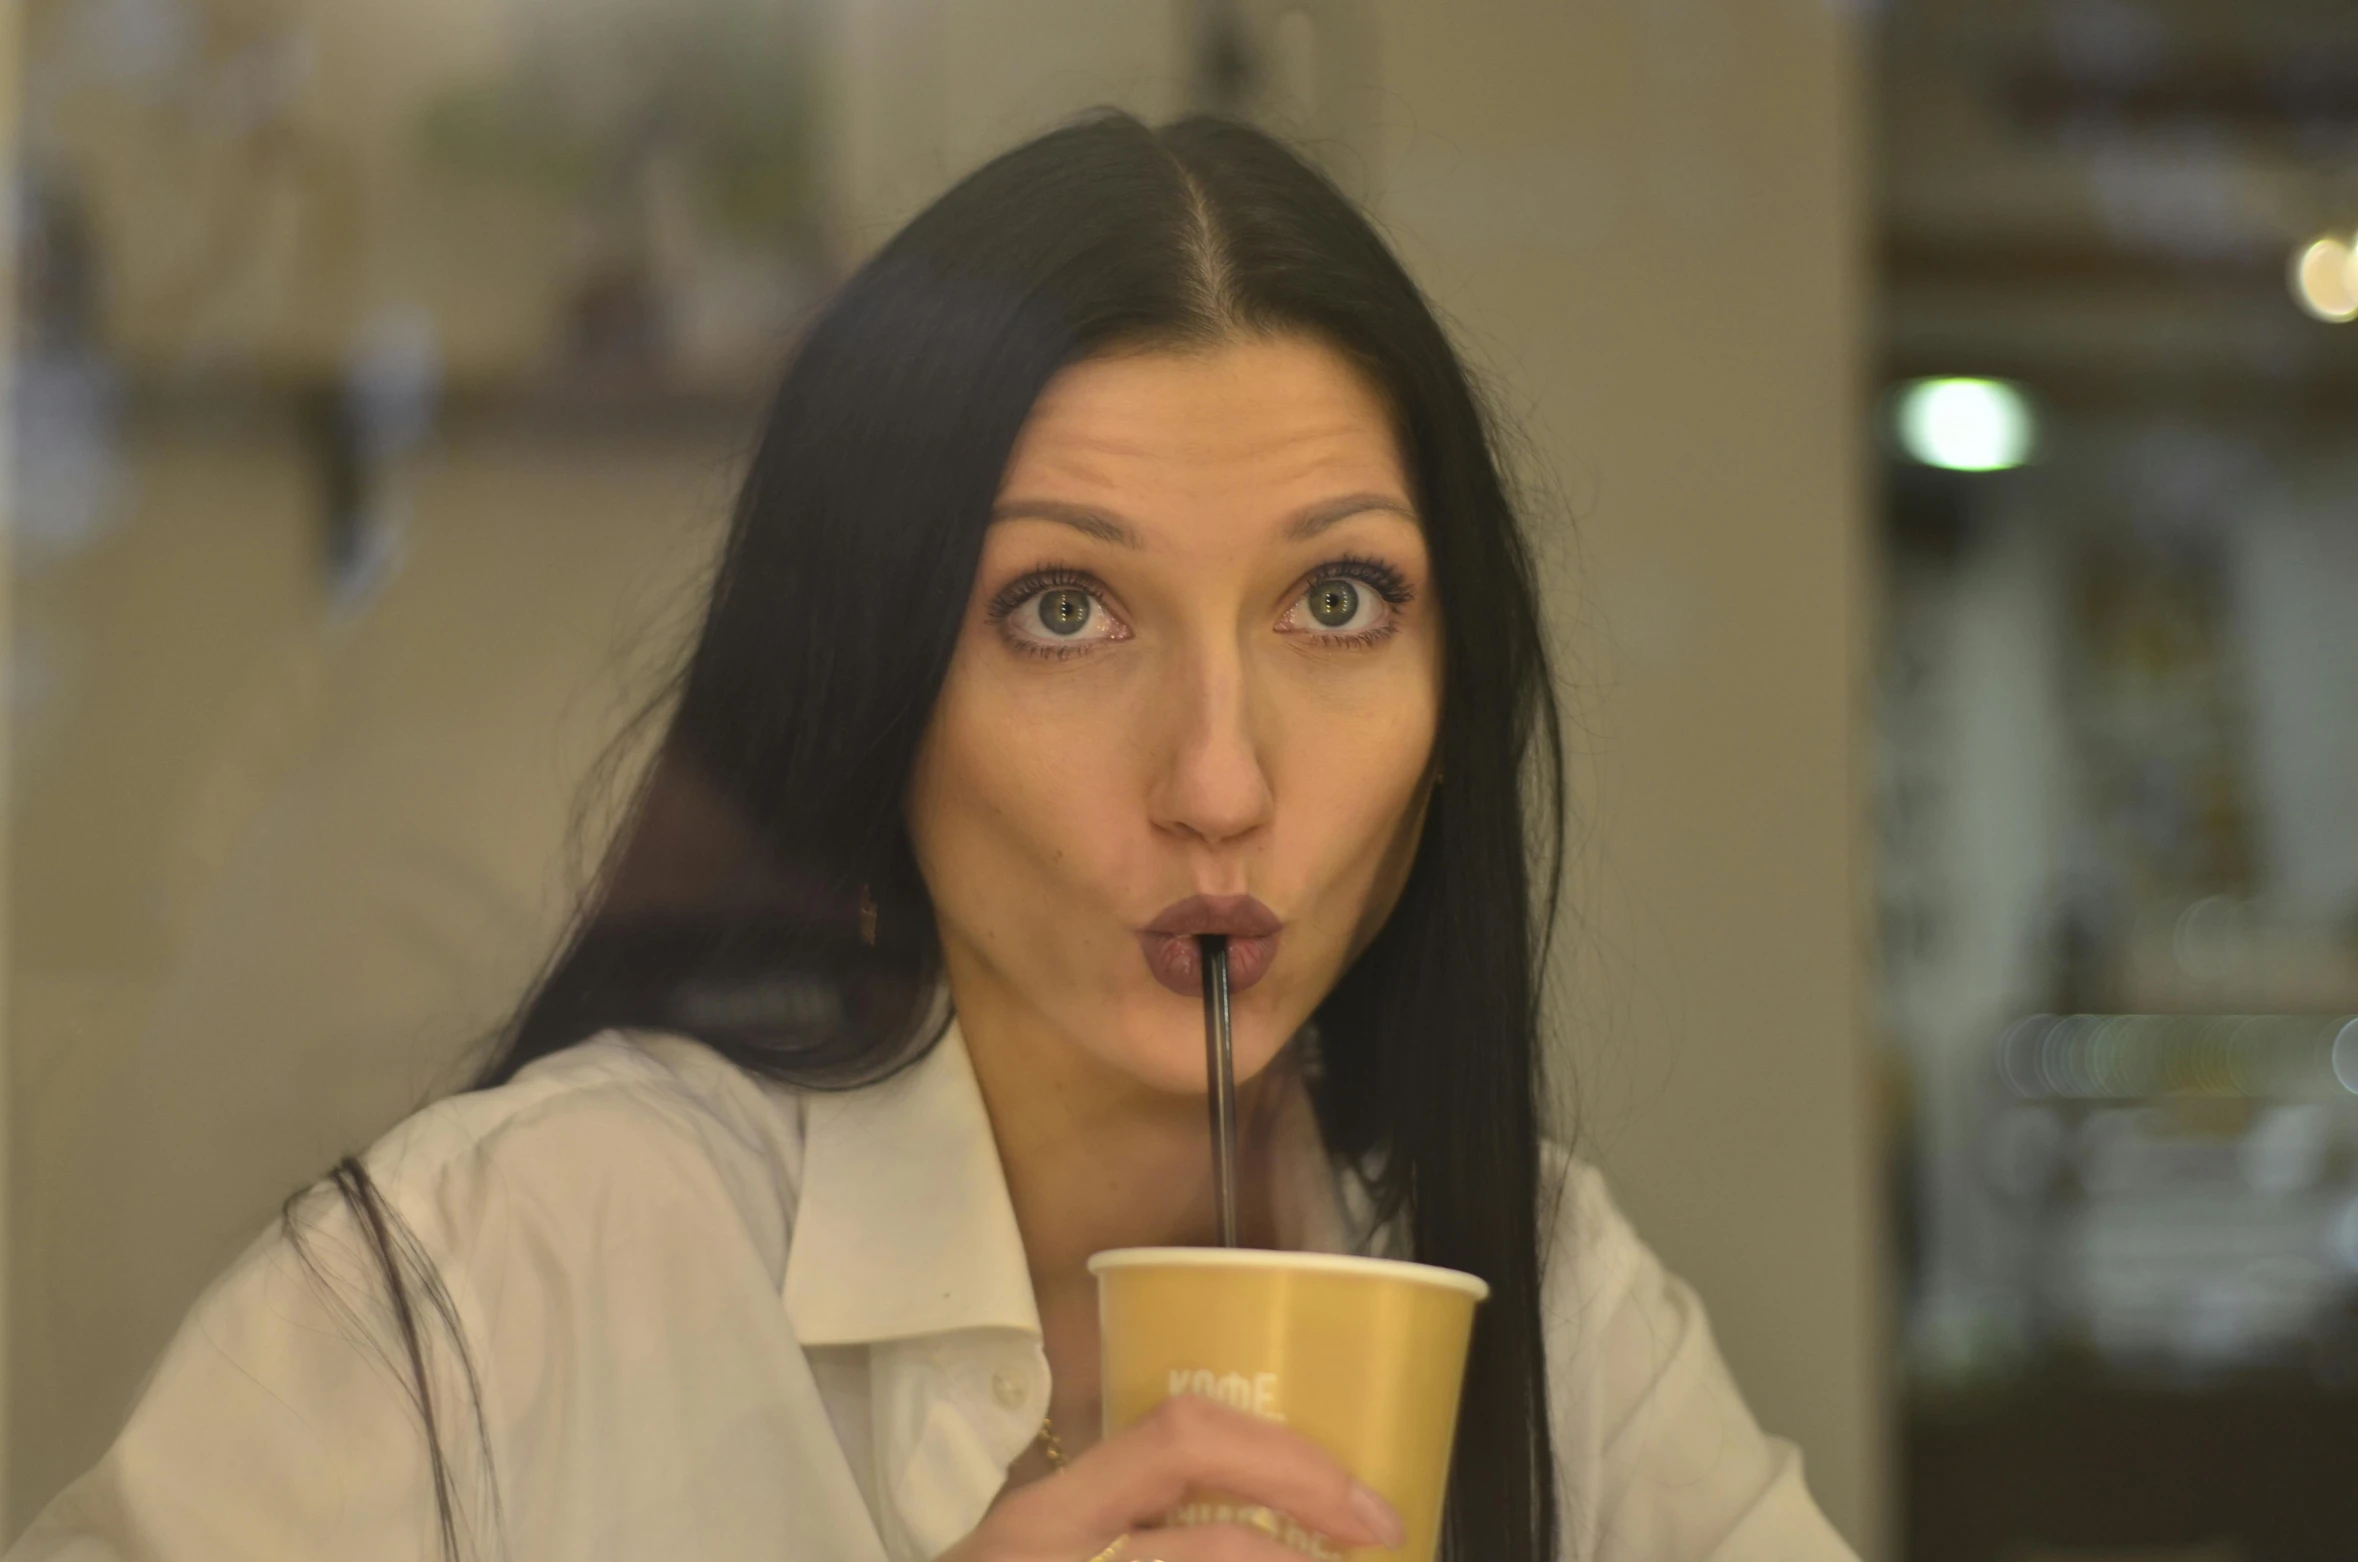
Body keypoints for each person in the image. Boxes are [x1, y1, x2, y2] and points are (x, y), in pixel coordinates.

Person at [9, 111, 1858, 1562]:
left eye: (1340, 600)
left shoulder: (1518, 1275)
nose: (1219, 777)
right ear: (873, 699)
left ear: (1456, 713)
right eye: (1064, 609)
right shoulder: (525, 1261)